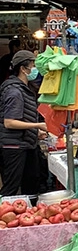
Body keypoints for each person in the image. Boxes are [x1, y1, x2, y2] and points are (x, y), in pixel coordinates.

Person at [1, 51, 46, 196]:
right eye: (33, 65)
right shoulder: (14, 91)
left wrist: (35, 133)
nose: (35, 69)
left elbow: (24, 118)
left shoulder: (24, 88)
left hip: (25, 143)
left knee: (31, 183)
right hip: (13, 146)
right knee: (11, 187)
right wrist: (37, 126)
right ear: (23, 68)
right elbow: (9, 122)